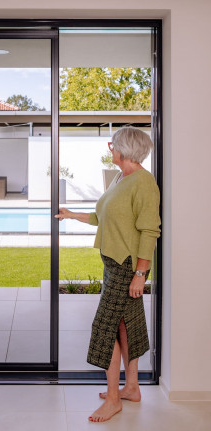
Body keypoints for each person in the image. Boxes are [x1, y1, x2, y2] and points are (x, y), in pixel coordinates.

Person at [55, 127, 161, 423]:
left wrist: (141, 273)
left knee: (104, 329)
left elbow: (149, 230)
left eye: (113, 144)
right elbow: (102, 217)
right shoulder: (120, 178)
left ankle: (113, 399)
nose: (109, 147)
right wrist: (71, 214)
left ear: (125, 149)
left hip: (128, 267)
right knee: (128, 325)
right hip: (114, 264)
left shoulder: (144, 183)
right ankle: (132, 388)